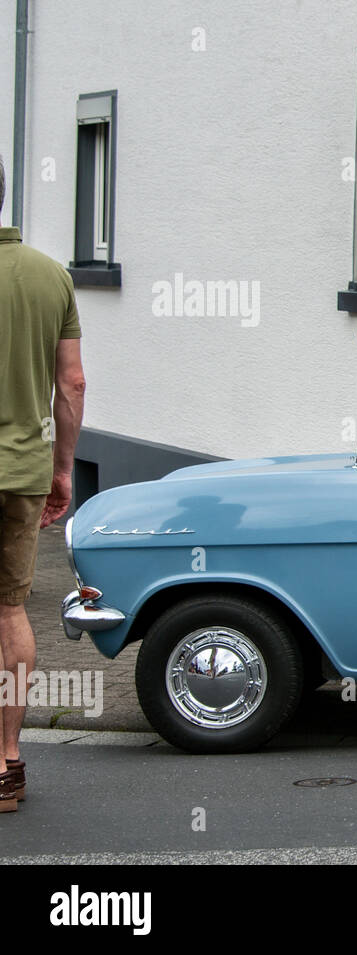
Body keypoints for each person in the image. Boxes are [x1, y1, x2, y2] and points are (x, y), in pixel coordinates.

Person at [0, 156, 86, 811]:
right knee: (11, 614)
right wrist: (62, 467)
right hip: (23, 472)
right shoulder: (50, 275)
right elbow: (72, 382)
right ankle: (7, 764)